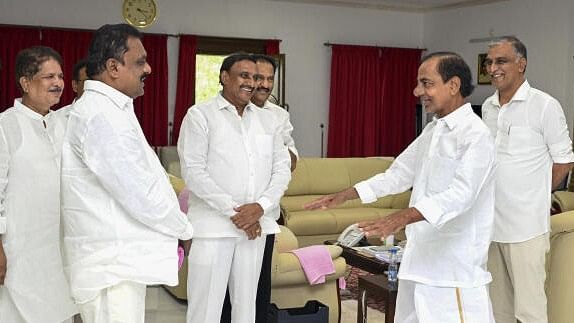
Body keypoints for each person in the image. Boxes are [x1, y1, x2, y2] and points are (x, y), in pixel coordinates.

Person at [306, 52, 496, 322]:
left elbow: (461, 195)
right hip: (418, 261)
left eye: (426, 83)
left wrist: (402, 216)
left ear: (453, 85)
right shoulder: (433, 130)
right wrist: (347, 194)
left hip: (452, 270)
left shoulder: (476, 135)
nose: (417, 91)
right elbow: (398, 173)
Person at [60, 24, 193, 323]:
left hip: (117, 264)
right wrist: (184, 230)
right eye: (139, 61)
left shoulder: (112, 108)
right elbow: (138, 192)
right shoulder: (101, 116)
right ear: (112, 67)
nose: (148, 68)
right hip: (111, 268)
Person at [178, 52, 291, 323]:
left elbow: (282, 169)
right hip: (212, 229)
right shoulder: (199, 116)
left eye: (254, 77)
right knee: (205, 310)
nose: (251, 83)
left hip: (255, 229)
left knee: (246, 309)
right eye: (244, 75)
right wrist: (239, 213)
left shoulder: (270, 120)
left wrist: (260, 208)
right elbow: (194, 172)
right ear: (224, 77)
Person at [482, 36, 574, 323]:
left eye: (501, 61)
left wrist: (534, 195)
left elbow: (564, 160)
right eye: (489, 62)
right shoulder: (487, 106)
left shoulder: (545, 105)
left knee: (530, 310)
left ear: (521, 64)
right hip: (490, 225)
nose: (493, 68)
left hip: (526, 228)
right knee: (498, 308)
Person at [0, 46, 78, 322]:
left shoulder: (64, 123)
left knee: (60, 311)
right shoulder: (6, 126)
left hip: (58, 250)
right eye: (48, 77)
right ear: (25, 82)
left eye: (59, 75)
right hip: (18, 250)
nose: (58, 83)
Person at [220, 53, 299, 323]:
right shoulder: (219, 114)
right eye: (257, 78)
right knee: (224, 291)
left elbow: (291, 162)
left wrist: (271, 146)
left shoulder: (277, 117)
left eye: (268, 79)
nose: (263, 84)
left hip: (263, 216)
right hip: (228, 215)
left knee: (258, 287)